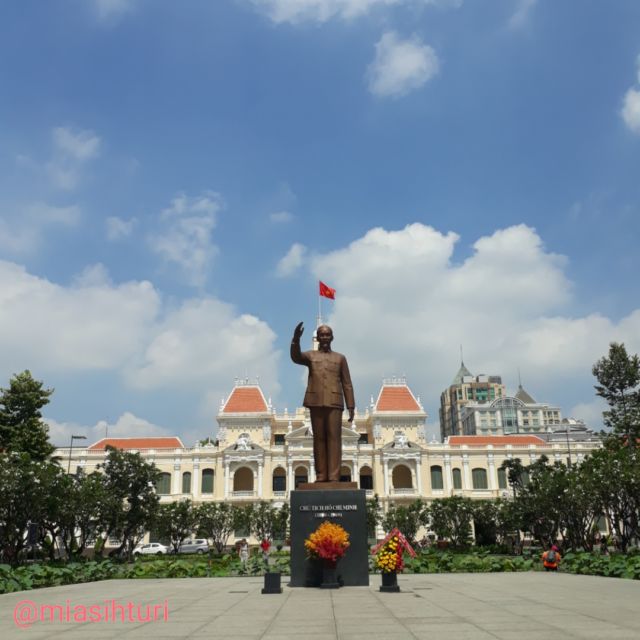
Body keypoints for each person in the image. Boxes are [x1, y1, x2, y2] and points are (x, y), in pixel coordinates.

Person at [290, 322, 355, 483]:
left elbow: (347, 383)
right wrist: (295, 340)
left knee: (334, 439)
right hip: (315, 401)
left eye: (327, 334)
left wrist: (351, 405)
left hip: (335, 401)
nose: (325, 337)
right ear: (317, 338)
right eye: (322, 334)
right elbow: (296, 357)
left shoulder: (340, 358)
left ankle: (333, 476)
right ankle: (321, 475)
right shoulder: (311, 356)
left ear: (332, 337)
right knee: (319, 438)